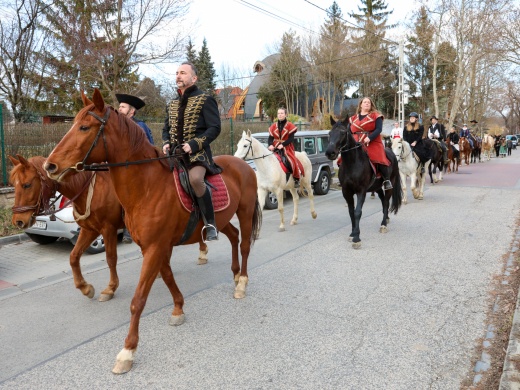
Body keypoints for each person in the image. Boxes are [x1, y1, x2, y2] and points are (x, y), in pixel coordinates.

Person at [161, 61, 221, 241]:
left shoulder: (205, 99)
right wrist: (165, 142)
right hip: (174, 155)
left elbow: (215, 128)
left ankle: (210, 223)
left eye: (183, 73)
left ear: (193, 78)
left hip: (198, 155)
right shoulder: (171, 104)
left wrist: (194, 144)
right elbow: (166, 128)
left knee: (195, 179)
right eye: (177, 73)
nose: (178, 76)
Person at [116, 93, 154, 243]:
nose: (119, 109)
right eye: (119, 106)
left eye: (123, 107)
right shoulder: (116, 127)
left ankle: (128, 228)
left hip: (139, 170)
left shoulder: (140, 126)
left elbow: (148, 149)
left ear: (131, 111)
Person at [349, 97, 393, 190]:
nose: (367, 103)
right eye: (365, 102)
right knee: (344, 158)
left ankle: (386, 180)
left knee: (378, 157)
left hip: (372, 141)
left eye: (368, 102)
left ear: (371, 105)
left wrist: (369, 138)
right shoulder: (353, 118)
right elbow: (349, 131)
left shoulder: (376, 116)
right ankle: (346, 179)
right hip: (356, 142)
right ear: (361, 104)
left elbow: (378, 129)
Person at [267, 108, 301, 188]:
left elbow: (291, 139)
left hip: (287, 147)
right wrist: (270, 144)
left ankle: (296, 178)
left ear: (285, 114)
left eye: (282, 113)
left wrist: (283, 144)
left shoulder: (290, 125)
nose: (280, 115)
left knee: (291, 160)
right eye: (278, 113)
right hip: (275, 146)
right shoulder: (273, 126)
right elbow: (270, 138)